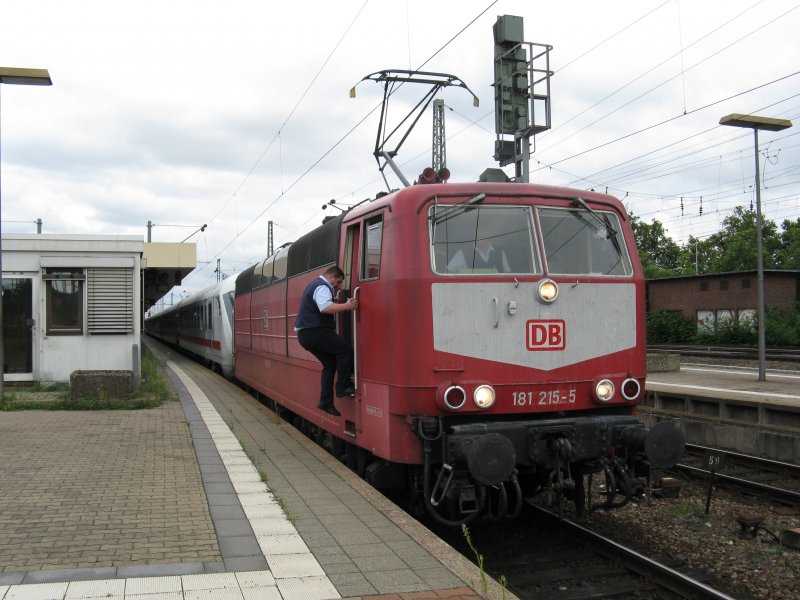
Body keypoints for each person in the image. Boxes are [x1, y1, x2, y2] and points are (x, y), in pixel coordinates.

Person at [294, 265, 359, 416]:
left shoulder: (314, 284)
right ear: (331, 277)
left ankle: (325, 401)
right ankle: (342, 387)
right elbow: (325, 308)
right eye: (338, 282)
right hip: (315, 331)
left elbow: (320, 304)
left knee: (330, 363)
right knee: (345, 350)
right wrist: (347, 306)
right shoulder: (323, 286)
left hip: (306, 335)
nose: (338, 286)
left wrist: (334, 300)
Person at [447, 236, 511, 273]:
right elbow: (448, 271)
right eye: (478, 232)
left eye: (483, 232)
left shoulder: (500, 252)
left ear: (489, 235)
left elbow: (509, 274)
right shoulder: (463, 253)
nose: (480, 236)